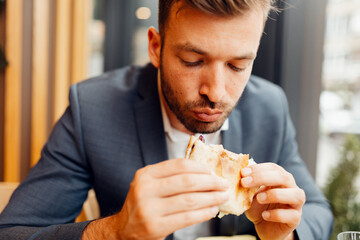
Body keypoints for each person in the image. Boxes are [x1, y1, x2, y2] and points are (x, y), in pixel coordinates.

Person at [0, 0, 333, 239]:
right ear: (156, 47)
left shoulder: (269, 106)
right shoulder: (92, 107)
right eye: (192, 60)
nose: (216, 93)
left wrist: (285, 234)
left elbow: (318, 212)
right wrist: (114, 232)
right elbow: (12, 232)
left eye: (237, 66)